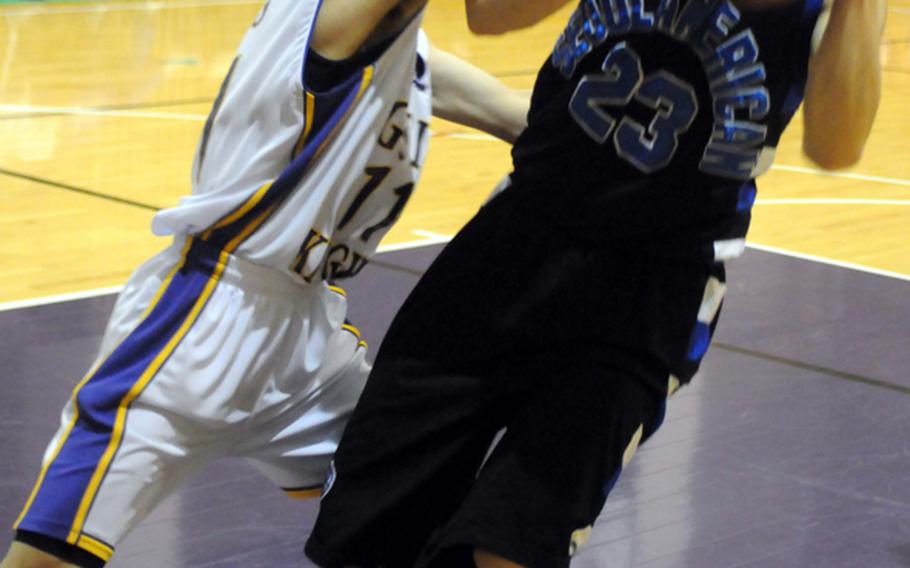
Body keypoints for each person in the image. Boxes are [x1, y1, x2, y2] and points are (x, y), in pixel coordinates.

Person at [305, 0, 886, 566]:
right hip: (515, 242)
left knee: (510, 543)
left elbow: (837, 147)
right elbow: (488, 16)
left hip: (650, 293)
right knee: (365, 528)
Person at [1, 1, 530, 566]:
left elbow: (503, 109)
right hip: (200, 327)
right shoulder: (334, 19)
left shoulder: (393, 47)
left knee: (423, 500)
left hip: (304, 340)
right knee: (45, 558)